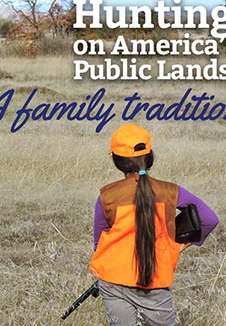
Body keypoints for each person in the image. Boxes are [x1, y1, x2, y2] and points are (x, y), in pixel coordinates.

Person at [89, 123, 219, 325]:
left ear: (117, 161)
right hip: (156, 280)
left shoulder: (107, 196)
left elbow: (100, 246)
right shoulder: (171, 191)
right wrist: (178, 246)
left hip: (113, 283)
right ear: (150, 158)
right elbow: (210, 219)